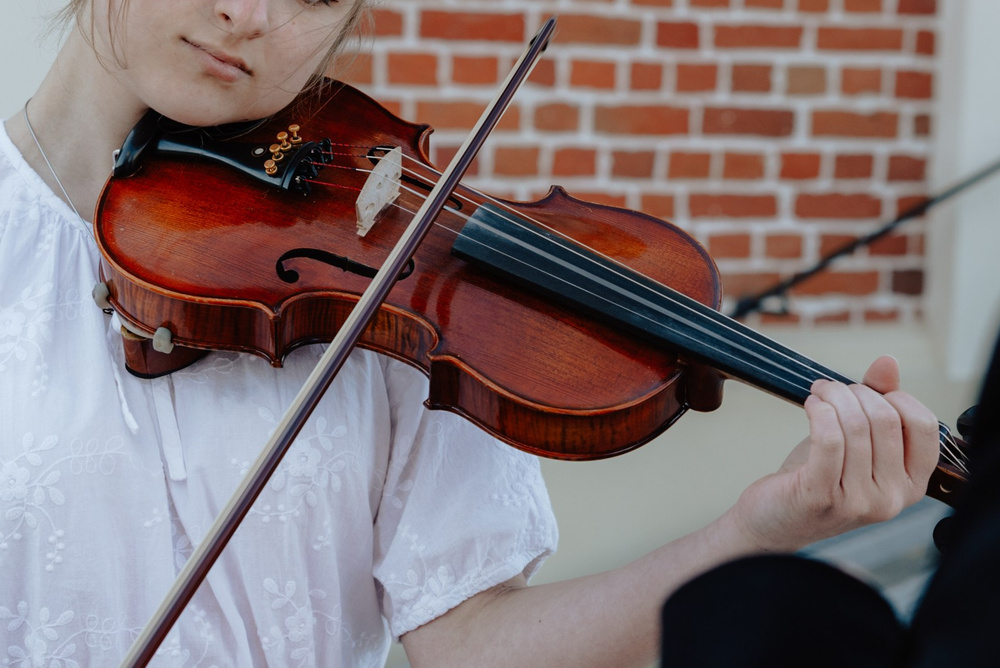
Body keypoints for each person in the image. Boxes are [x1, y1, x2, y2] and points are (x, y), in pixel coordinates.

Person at [0, 1, 941, 666]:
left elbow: (473, 643)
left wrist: (757, 531)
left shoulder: (395, 273)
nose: (250, 13)